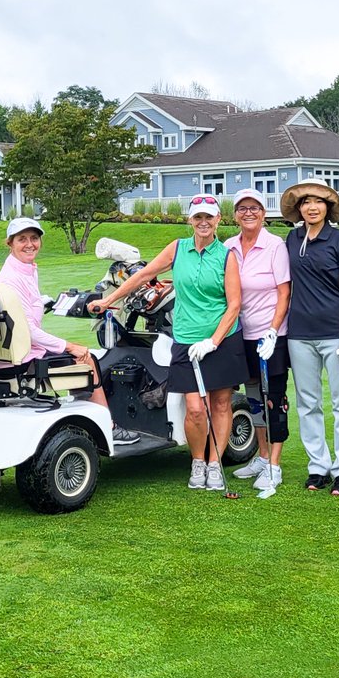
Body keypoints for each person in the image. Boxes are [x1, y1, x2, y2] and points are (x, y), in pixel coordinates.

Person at [89, 194, 246, 492]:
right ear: (190, 220)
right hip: (185, 340)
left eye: (208, 217)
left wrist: (213, 341)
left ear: (217, 221)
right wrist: (109, 299)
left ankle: (215, 464)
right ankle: (197, 461)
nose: (203, 222)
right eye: (198, 217)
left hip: (223, 339)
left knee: (221, 403)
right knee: (195, 407)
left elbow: (234, 305)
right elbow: (144, 275)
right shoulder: (178, 248)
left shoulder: (227, 256)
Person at [0, 216, 138, 444]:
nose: (30, 244)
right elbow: (27, 330)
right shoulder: (13, 277)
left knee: (76, 356)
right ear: (10, 243)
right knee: (86, 358)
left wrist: (43, 302)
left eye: (34, 238)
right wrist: (70, 346)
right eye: (22, 239)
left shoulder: (24, 268)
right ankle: (108, 427)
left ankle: (85, 419)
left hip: (17, 348)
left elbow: (23, 309)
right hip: (22, 354)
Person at [282, 182, 339, 496]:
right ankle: (319, 467)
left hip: (336, 334)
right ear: (299, 209)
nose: (312, 207)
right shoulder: (293, 238)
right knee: (308, 404)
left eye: (318, 202)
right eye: (306, 203)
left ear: (328, 208)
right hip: (299, 335)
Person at [225, 189, 291, 491]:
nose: (248, 213)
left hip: (270, 336)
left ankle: (275, 466)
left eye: (254, 208)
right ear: (235, 214)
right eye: (242, 208)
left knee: (273, 399)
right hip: (242, 336)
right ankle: (262, 457)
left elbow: (284, 292)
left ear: (264, 214)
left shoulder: (275, 245)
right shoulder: (229, 246)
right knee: (253, 400)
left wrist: (273, 330)